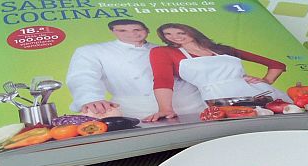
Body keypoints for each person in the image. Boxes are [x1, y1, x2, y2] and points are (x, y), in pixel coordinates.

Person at [145, 23, 289, 122]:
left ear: (192, 33)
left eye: (181, 32)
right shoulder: (163, 52)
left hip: (262, 94)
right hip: (221, 99)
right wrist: (165, 109)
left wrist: (266, 81)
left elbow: (277, 65)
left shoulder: (222, 49)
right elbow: (163, 79)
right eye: (168, 34)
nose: (175, 37)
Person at [66, 19, 204, 120]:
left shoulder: (167, 49)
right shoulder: (92, 51)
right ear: (112, 31)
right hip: (137, 112)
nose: (131, 34)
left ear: (147, 31)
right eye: (122, 30)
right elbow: (82, 76)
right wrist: (91, 98)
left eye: (137, 29)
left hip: (192, 105)